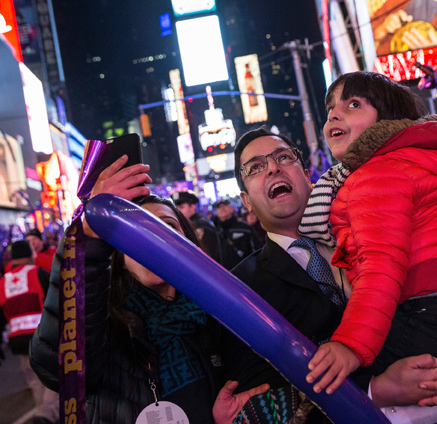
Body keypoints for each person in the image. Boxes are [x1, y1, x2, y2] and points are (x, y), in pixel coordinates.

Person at [230, 121, 437, 424]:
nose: (274, 168)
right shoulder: (243, 287)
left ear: (306, 175)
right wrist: (376, 390)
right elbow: (260, 397)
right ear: (246, 200)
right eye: (256, 167)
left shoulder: (374, 220)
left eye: (284, 157)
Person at [299, 72, 437, 423]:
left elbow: (381, 267)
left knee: (341, 388)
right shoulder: (408, 163)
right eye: (330, 109)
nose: (334, 116)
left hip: (423, 310)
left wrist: (350, 345)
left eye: (353, 105)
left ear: (386, 119)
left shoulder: (378, 174)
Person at [30, 156, 268, 424]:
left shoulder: (220, 317)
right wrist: (88, 232)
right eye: (138, 231)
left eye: (168, 227)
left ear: (190, 243)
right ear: (118, 253)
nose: (155, 240)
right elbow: (58, 367)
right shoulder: (103, 326)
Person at [0, 240, 59, 424]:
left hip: (18, 339)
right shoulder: (38, 273)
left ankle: (42, 414)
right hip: (42, 335)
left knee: (34, 379)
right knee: (54, 375)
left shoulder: (2, 282)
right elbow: (56, 300)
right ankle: (46, 416)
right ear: (28, 255)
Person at [172, 190, 226, 268]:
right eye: (176, 208)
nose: (178, 211)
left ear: (192, 207)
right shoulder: (189, 224)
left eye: (181, 207)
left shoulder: (200, 225)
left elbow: (206, 256)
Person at [214, 199, 262, 268]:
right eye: (219, 207)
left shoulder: (245, 228)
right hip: (223, 273)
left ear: (231, 209)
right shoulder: (214, 231)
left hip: (245, 272)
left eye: (225, 205)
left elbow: (258, 249)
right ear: (217, 212)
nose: (222, 208)